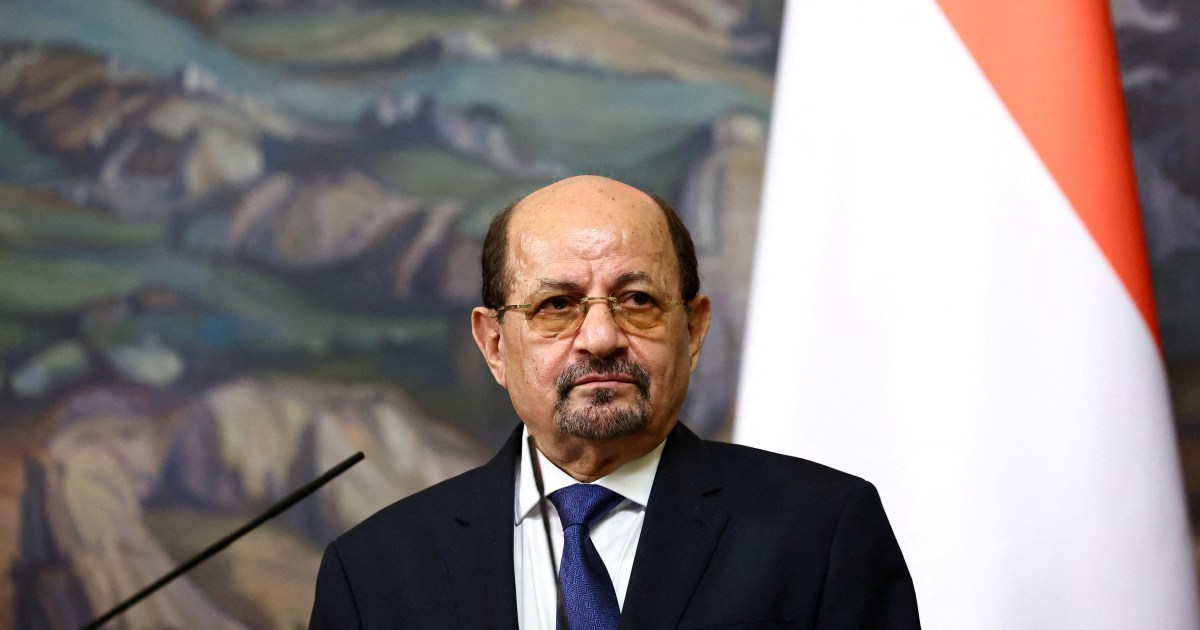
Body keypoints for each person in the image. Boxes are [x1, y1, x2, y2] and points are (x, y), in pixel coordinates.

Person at [309, 175, 920, 629]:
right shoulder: (374, 571)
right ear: (494, 345)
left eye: (637, 301)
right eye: (556, 306)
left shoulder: (822, 532)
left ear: (693, 330)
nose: (600, 338)